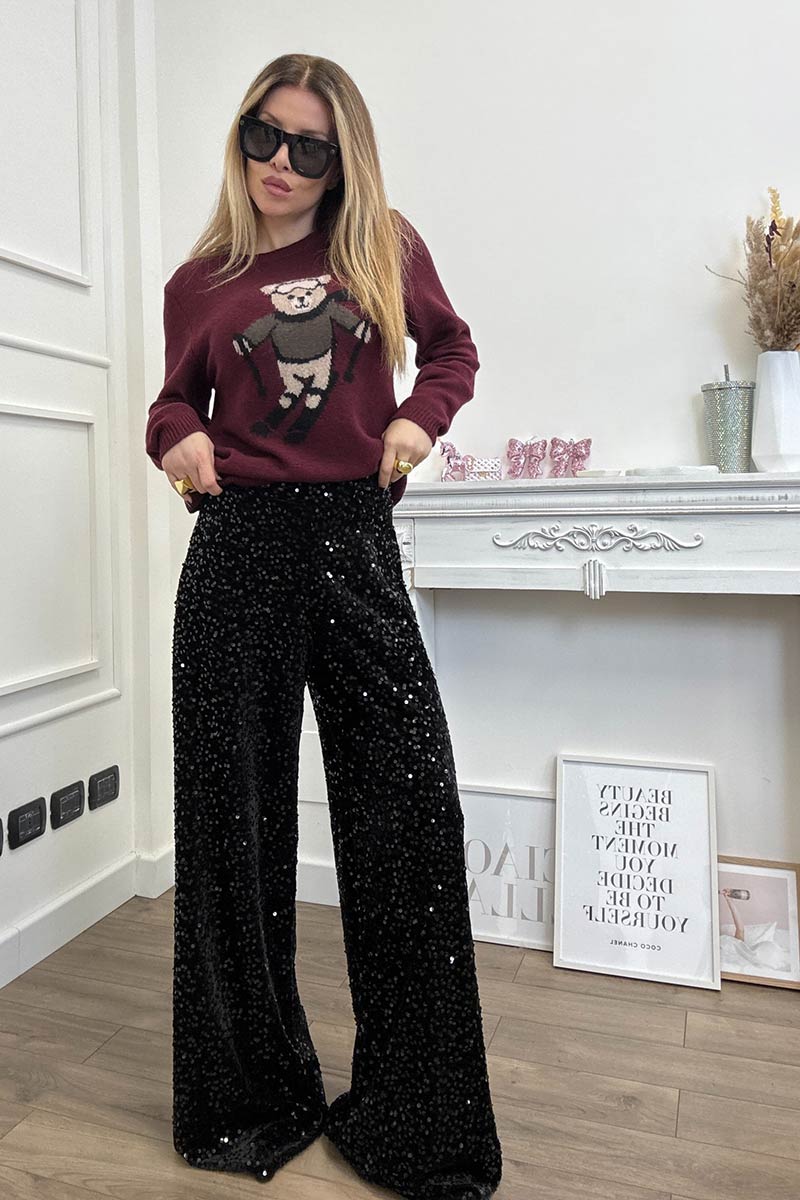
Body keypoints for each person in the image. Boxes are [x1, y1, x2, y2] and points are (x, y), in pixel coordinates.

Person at [145, 52, 502, 1200]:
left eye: (309, 146)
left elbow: (451, 349)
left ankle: (416, 1119)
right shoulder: (199, 282)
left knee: (406, 816)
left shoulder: (381, 246)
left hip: (352, 539)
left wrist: (417, 422)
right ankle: (250, 1098)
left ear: (341, 161)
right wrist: (173, 438)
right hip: (236, 551)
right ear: (241, 135)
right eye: (264, 134)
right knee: (230, 828)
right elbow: (174, 399)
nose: (281, 164)